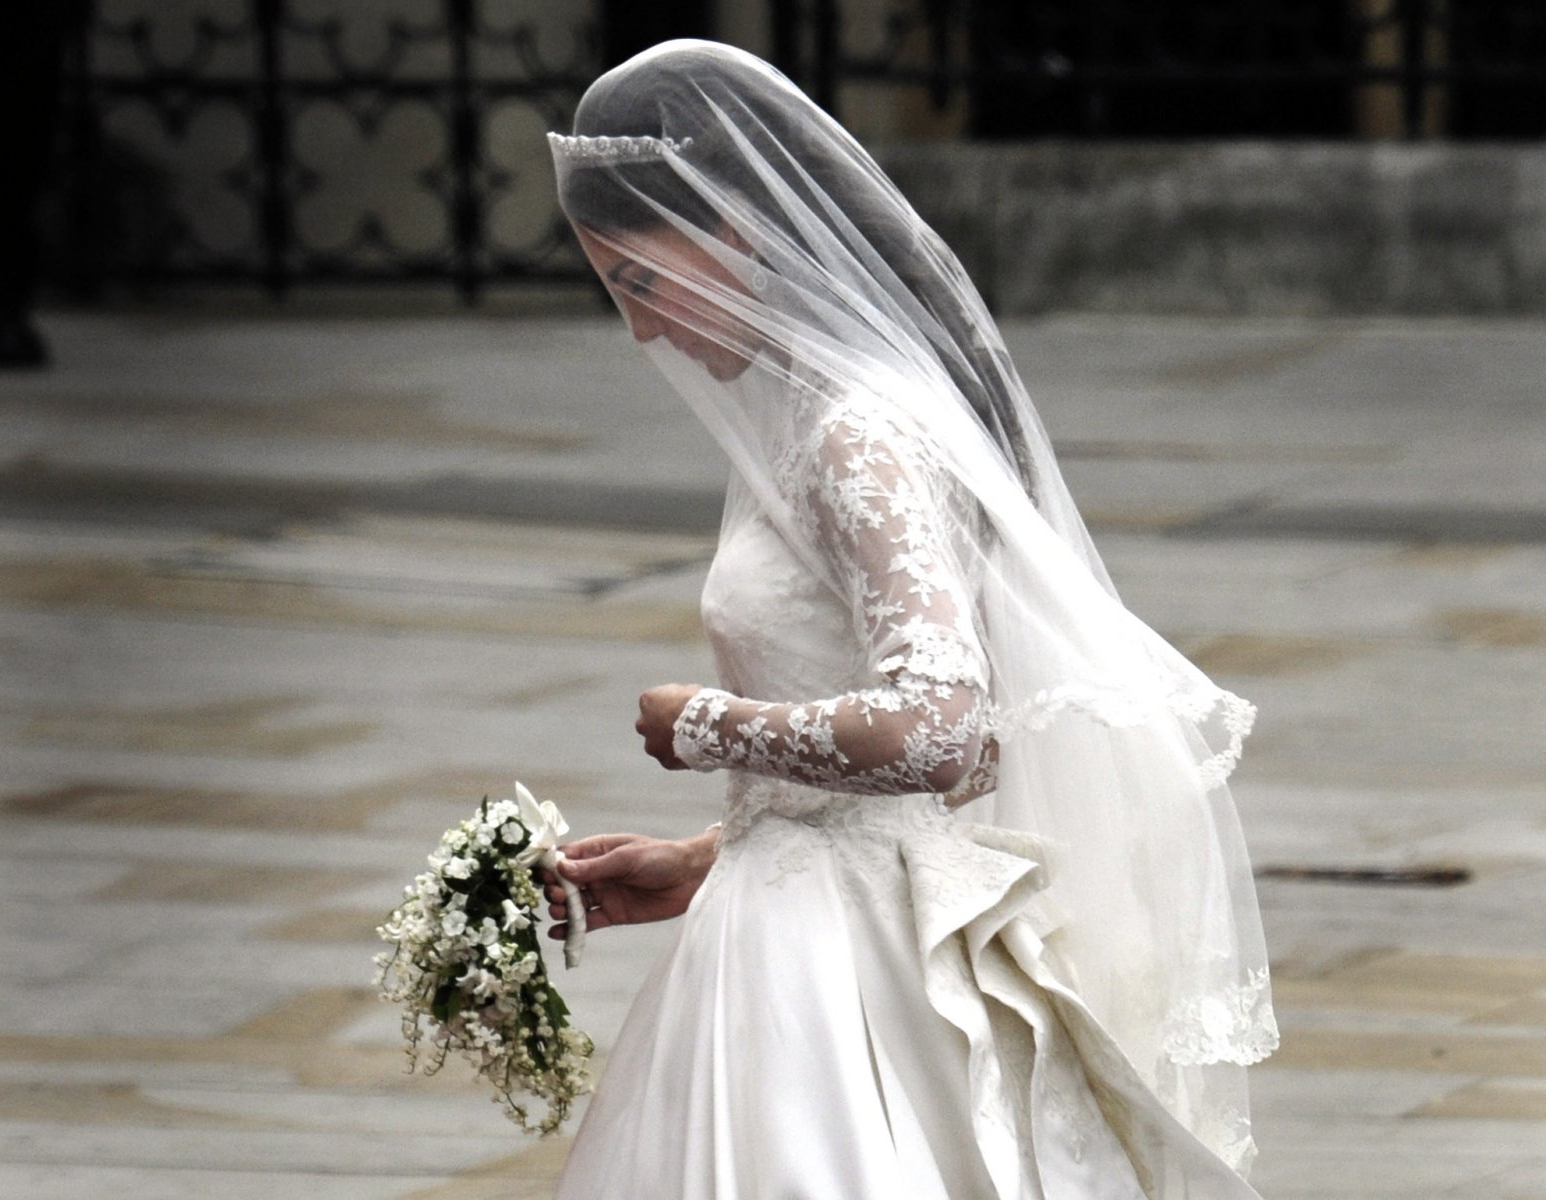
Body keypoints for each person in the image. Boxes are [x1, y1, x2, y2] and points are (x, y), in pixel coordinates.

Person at [542, 40, 1278, 1199]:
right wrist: (706, 857)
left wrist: (704, 726)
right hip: (802, 918)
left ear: (736, 228)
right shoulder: (803, 422)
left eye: (640, 281)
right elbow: (959, 748)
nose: (640, 331)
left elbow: (942, 729)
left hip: (849, 974)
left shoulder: (853, 435)